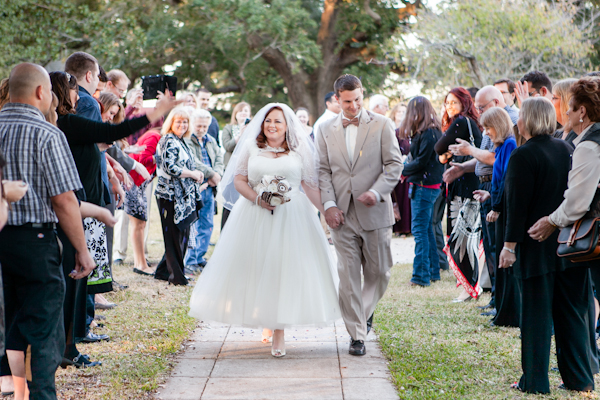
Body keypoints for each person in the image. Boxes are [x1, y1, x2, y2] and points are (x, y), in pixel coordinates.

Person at [190, 103, 340, 358]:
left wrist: (327, 210)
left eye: (278, 121)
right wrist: (258, 199)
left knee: (284, 269)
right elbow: (238, 179)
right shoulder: (252, 147)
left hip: (292, 216)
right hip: (255, 214)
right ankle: (266, 319)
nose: (272, 125)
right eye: (268, 120)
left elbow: (309, 186)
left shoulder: (298, 150)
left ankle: (279, 330)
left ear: (287, 126)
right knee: (259, 268)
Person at [0, 62, 95, 400]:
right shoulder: (46, 133)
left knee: (10, 322)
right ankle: (42, 395)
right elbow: (65, 201)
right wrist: (82, 250)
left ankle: (17, 391)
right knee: (44, 328)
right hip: (34, 241)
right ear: (42, 92)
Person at [500, 97, 594, 394]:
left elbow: (517, 207)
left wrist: (509, 246)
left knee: (536, 317)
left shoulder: (523, 156)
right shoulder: (567, 148)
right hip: (569, 245)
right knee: (572, 315)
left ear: (526, 120)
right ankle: (580, 379)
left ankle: (535, 381)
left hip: (534, 245)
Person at [317, 74, 403, 355]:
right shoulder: (325, 129)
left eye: (357, 100)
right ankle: (357, 335)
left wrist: (377, 192)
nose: (353, 106)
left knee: (380, 273)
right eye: (347, 102)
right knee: (348, 275)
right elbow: (323, 171)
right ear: (336, 100)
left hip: (374, 211)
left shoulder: (382, 124)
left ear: (362, 95)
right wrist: (328, 205)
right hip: (340, 214)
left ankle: (362, 314)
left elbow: (393, 164)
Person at [529, 77, 600, 391]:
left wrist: (551, 221)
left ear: (582, 112)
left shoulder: (589, 144)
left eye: (569, 109)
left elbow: (577, 200)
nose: (565, 115)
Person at [472, 107, 520, 327]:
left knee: (503, 258)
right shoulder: (502, 146)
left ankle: (508, 312)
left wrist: (497, 205)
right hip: (497, 200)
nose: (486, 133)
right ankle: (500, 307)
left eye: (488, 128)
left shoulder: (509, 144)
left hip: (505, 208)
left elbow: (508, 179)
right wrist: (490, 194)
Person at [435, 87, 483, 301]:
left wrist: (444, 153)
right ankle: (470, 285)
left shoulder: (461, 122)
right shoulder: (470, 123)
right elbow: (442, 155)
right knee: (467, 237)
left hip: (465, 187)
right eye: (447, 103)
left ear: (465, 102)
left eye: (454, 102)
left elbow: (439, 148)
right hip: (467, 183)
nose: (450, 106)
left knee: (463, 237)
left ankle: (470, 287)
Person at [154, 107, 205, 286]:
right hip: (169, 195)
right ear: (171, 123)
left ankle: (162, 271)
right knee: (175, 236)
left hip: (181, 196)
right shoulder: (168, 140)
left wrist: (196, 173)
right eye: (178, 122)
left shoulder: (181, 140)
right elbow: (170, 168)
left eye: (185, 122)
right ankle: (177, 277)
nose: (182, 125)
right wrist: (192, 174)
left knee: (179, 233)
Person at [398, 96, 443, 286]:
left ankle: (420, 276)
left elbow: (421, 162)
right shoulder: (425, 132)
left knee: (419, 231)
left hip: (425, 187)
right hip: (422, 185)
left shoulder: (430, 133)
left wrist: (400, 170)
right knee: (425, 230)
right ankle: (432, 271)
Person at [184, 109, 224, 273]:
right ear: (193, 124)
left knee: (207, 224)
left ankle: (199, 257)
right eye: (198, 125)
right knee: (193, 225)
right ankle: (189, 260)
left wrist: (218, 175)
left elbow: (220, 160)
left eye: (204, 126)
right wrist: (211, 174)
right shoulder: (187, 140)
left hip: (209, 188)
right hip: (195, 187)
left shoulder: (211, 140)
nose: (201, 129)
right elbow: (193, 162)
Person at [126, 128, 162, 276]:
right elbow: (143, 159)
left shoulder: (157, 137)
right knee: (138, 224)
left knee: (141, 223)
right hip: (132, 181)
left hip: (139, 184)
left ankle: (140, 262)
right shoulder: (155, 136)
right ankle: (141, 265)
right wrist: (161, 158)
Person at [220, 102, 251, 228]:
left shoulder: (255, 129)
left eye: (246, 110)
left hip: (248, 171)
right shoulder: (229, 128)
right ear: (235, 114)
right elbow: (227, 146)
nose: (243, 113)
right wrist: (240, 135)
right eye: (240, 111)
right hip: (231, 171)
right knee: (229, 204)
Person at [390, 102, 411, 236]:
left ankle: (410, 228)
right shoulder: (394, 132)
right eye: (399, 112)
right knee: (400, 198)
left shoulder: (412, 131)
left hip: (410, 169)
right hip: (398, 169)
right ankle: (400, 229)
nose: (402, 115)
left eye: (405, 112)